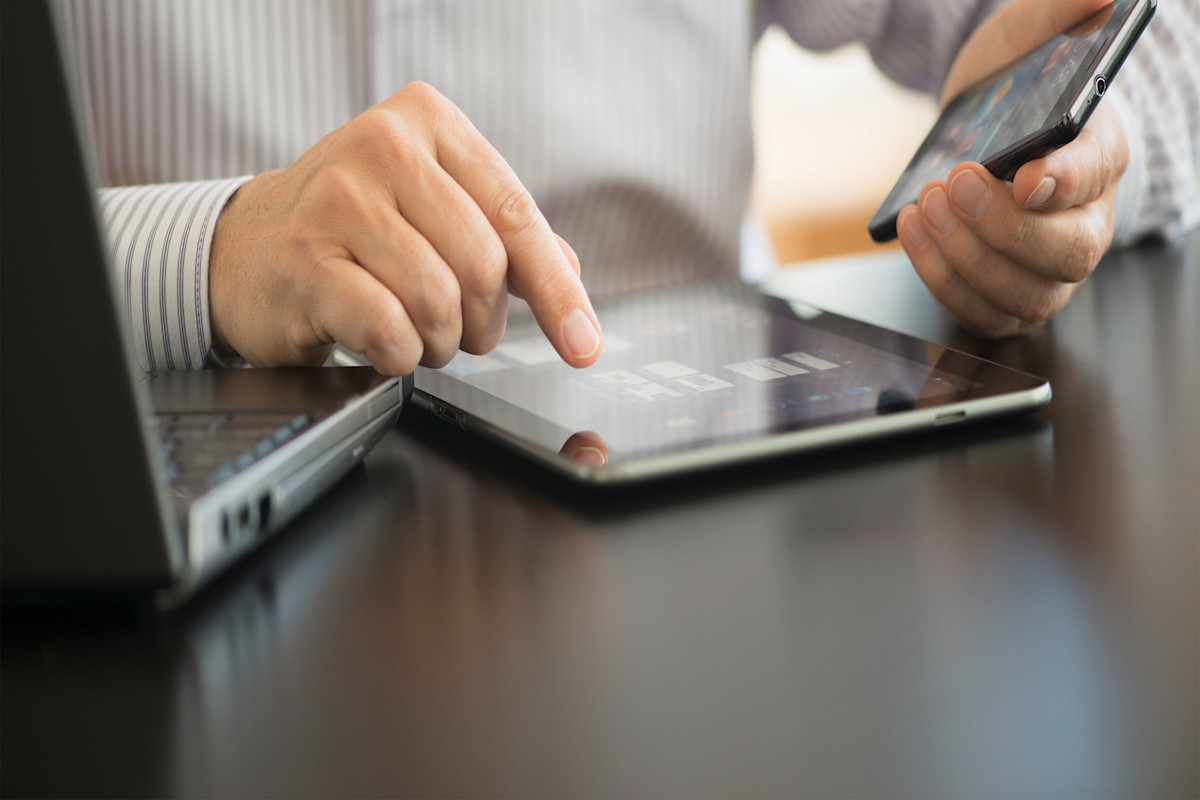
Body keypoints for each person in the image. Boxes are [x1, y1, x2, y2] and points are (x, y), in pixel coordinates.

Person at [60, 0, 1199, 376]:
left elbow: (1141, 32)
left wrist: (1094, 150)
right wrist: (204, 251)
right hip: (161, 491)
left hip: (679, 515)